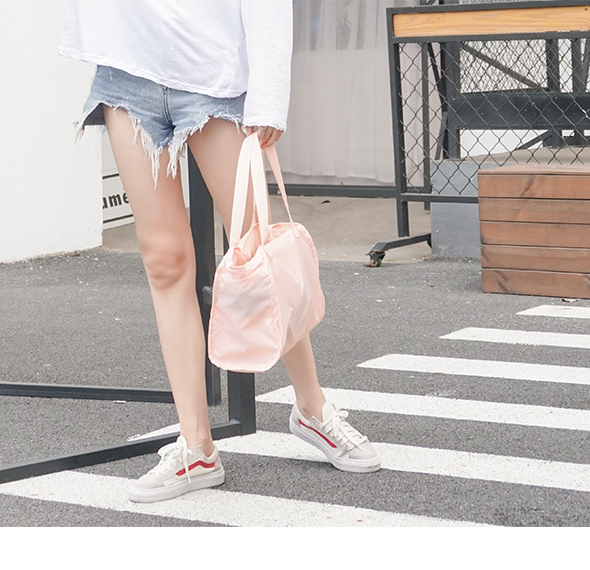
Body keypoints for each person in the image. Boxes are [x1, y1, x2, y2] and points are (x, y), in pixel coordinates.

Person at [60, 0, 380, 503]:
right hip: (127, 69)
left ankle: (311, 408)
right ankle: (197, 447)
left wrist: (269, 94)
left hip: (212, 69)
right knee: (164, 261)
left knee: (257, 249)